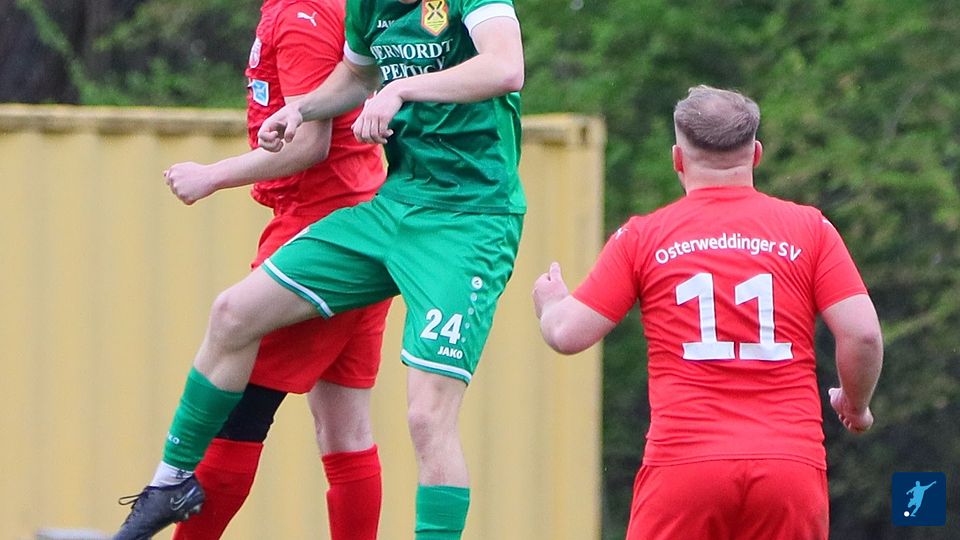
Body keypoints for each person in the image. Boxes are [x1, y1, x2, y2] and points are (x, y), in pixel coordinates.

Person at [114, 0, 525, 538]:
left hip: (468, 222)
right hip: (392, 206)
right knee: (234, 314)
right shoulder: (366, 6)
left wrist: (401, 90)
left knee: (426, 418)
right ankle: (171, 481)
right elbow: (356, 75)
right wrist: (302, 109)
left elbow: (505, 67)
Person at [532, 85, 883, 540]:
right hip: (788, 467)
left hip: (684, 467)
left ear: (677, 159)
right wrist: (856, 405)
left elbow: (566, 334)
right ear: (756, 154)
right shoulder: (810, 229)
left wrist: (551, 302)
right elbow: (863, 335)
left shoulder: (644, 237)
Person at [114, 1, 391, 539]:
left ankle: (169, 484)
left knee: (236, 406)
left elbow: (309, 143)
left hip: (324, 231)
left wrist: (212, 175)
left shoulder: (303, 12)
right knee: (345, 428)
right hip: (363, 221)